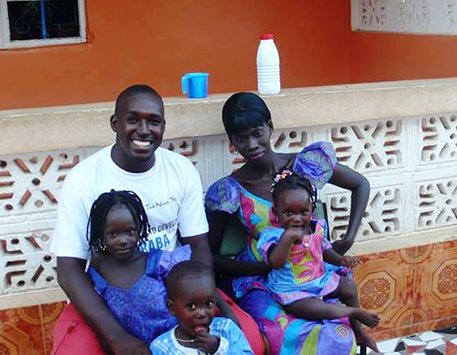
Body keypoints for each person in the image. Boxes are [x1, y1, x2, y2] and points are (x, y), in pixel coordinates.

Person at [50, 85, 265, 355]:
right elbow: (69, 270)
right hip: (111, 298)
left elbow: (198, 246)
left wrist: (204, 303)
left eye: (153, 121)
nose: (143, 130)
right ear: (115, 123)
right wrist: (116, 337)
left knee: (250, 341)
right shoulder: (83, 180)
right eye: (133, 120)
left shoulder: (180, 169)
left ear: (163, 126)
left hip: (177, 292)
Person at [205, 92, 374, 354]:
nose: (251, 144)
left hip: (315, 274)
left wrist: (349, 238)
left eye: (257, 132)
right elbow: (209, 256)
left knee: (338, 330)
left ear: (270, 127)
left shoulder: (303, 165)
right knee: (286, 333)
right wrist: (263, 266)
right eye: (241, 138)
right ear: (232, 141)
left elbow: (360, 184)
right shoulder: (230, 191)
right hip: (259, 283)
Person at [259, 170, 379, 337]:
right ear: (276, 213)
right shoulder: (273, 237)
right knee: (312, 308)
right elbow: (275, 263)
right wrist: (287, 239)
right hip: (292, 289)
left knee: (348, 286)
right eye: (288, 213)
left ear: (311, 210)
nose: (297, 218)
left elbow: (325, 252)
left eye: (303, 212)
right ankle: (353, 312)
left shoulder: (316, 229)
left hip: (319, 280)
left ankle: (358, 331)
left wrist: (341, 260)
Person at [86, 190, 193, 345]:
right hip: (130, 348)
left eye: (130, 232)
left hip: (174, 344)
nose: (122, 241)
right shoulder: (99, 267)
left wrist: (226, 310)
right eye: (113, 234)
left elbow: (194, 283)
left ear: (139, 229)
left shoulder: (158, 261)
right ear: (101, 233)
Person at [150, 261, 254, 354]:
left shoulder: (226, 329)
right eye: (191, 306)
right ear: (172, 307)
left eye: (208, 304)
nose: (202, 313)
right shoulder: (162, 348)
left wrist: (219, 347)